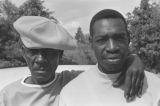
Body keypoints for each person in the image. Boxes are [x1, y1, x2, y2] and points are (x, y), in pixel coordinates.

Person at [0, 16, 143, 106]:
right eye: (33, 52)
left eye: (49, 53)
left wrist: (132, 59)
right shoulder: (8, 96)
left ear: (60, 56)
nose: (40, 59)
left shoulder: (72, 80)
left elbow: (107, 71)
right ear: (23, 53)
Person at [59, 9, 160, 106]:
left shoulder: (155, 86)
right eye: (102, 40)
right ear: (91, 43)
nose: (112, 47)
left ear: (128, 39)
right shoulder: (71, 93)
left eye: (119, 38)